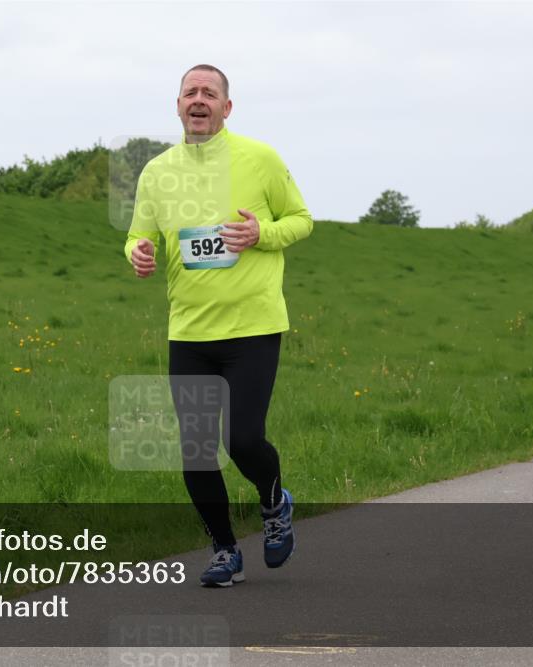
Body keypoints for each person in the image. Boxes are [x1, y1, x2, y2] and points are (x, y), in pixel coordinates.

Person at [124, 64, 313, 587]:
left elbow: (301, 219)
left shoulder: (260, 158)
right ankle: (225, 551)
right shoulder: (157, 172)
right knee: (196, 452)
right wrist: (137, 252)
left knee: (244, 439)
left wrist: (260, 235)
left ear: (226, 107)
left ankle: (274, 503)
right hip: (189, 332)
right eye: (191, 92)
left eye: (210, 93)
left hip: (252, 327)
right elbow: (139, 235)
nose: (199, 99)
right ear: (177, 105)